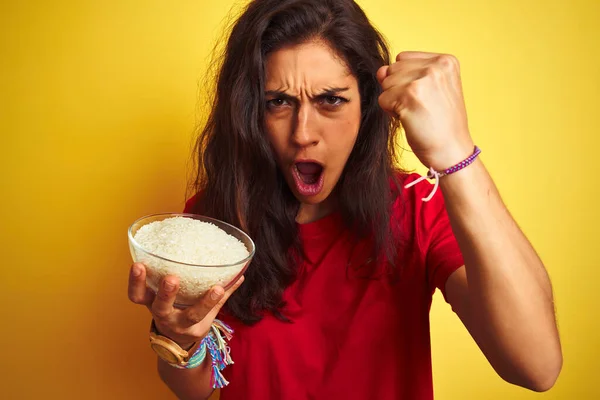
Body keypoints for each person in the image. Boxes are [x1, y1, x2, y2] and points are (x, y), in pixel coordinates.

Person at [127, 0, 562, 399]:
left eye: (330, 100)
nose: (302, 133)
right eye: (277, 101)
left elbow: (537, 367)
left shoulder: (417, 206)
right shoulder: (213, 225)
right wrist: (181, 340)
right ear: (249, 113)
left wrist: (454, 151)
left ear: (368, 107)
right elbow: (197, 389)